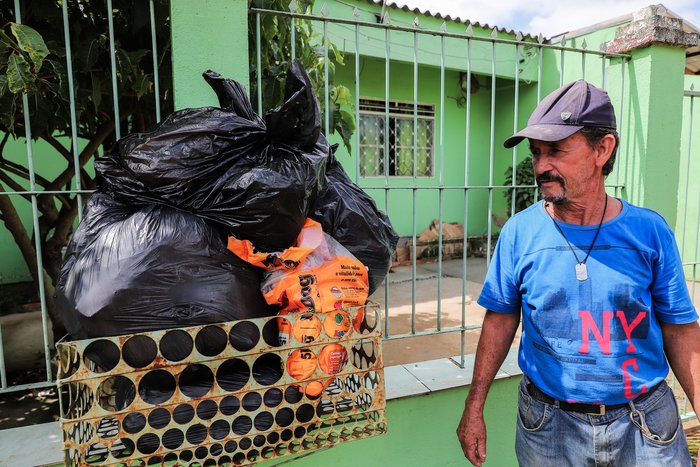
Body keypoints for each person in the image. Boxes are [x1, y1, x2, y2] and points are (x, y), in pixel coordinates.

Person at [456, 80, 700, 466]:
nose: (540, 166)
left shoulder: (649, 232)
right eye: (536, 153)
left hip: (646, 428)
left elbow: (680, 329)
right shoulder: (520, 233)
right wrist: (474, 406)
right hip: (548, 428)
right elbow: (500, 321)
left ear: (603, 149)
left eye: (556, 151)